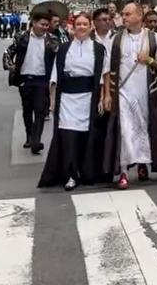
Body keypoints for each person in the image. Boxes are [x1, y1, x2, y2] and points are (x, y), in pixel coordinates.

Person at [103, 2, 157, 189]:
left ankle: (143, 163)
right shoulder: (116, 38)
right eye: (123, 14)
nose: (124, 17)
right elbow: (108, 66)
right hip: (123, 92)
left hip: (145, 92)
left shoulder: (153, 37)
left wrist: (148, 60)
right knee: (125, 130)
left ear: (138, 16)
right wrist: (107, 95)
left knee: (143, 129)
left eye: (127, 14)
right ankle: (124, 171)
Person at [38, 13, 109, 190]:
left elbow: (104, 74)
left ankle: (87, 172)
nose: (82, 27)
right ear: (73, 26)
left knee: (87, 136)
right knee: (68, 136)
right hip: (67, 99)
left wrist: (104, 96)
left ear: (91, 26)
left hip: (89, 98)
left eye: (85, 24)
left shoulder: (99, 49)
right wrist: (53, 101)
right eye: (79, 24)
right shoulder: (63, 48)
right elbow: (55, 75)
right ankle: (70, 174)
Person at [10, 12, 59, 155]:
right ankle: (29, 136)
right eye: (42, 24)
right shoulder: (21, 37)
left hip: (42, 80)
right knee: (27, 110)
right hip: (25, 80)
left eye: (46, 25)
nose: (44, 27)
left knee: (40, 110)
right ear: (33, 23)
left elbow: (59, 58)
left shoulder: (53, 40)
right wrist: (11, 67)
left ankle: (36, 141)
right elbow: (8, 53)